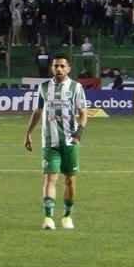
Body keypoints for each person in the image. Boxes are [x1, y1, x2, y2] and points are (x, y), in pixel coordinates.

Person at [24, 54, 88, 230]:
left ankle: (67, 216)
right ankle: (48, 218)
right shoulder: (44, 87)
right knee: (50, 179)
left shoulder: (76, 87)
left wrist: (78, 134)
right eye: (55, 66)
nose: (58, 69)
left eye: (62, 66)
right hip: (49, 142)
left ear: (68, 68)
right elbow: (37, 111)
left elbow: (83, 112)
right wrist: (28, 133)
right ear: (52, 68)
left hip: (70, 143)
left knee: (70, 181)